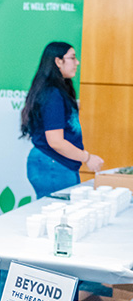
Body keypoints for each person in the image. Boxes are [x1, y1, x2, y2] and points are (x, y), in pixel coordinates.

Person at [21, 41, 103, 198]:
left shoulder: (58, 91)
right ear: (58, 61)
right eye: (72, 58)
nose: (77, 62)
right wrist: (87, 157)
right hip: (52, 164)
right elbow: (56, 142)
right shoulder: (52, 94)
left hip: (56, 164)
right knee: (57, 217)